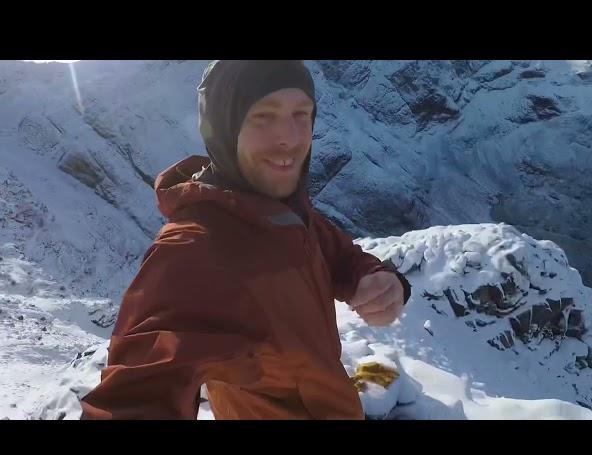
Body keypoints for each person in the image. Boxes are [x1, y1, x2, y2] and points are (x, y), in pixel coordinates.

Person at [80, 60, 411, 420]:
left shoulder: (288, 212)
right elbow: (135, 396)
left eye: (301, 114)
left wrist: (373, 276)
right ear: (224, 128)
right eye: (263, 116)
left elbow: (332, 249)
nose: (289, 136)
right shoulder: (193, 250)